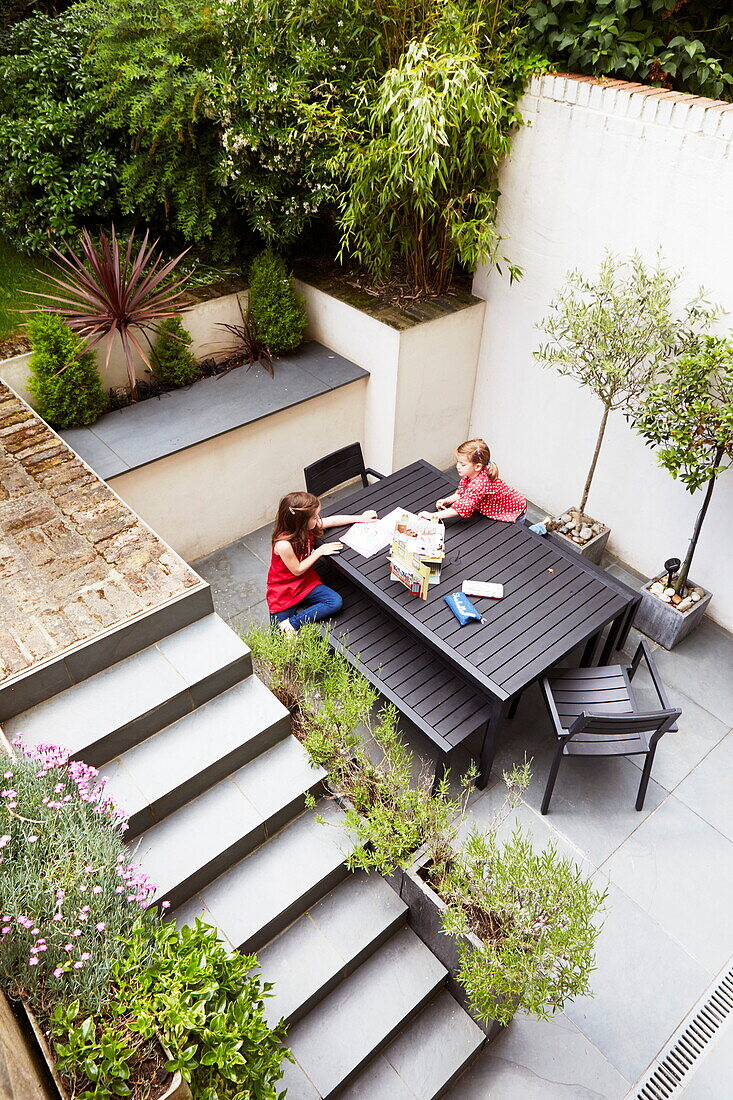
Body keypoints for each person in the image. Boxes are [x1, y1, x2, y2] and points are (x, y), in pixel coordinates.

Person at [267, 491, 377, 636]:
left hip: (306, 582)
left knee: (335, 602)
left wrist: (361, 518)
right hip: (284, 590)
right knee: (276, 639)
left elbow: (332, 521)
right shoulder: (283, 544)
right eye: (314, 517)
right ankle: (288, 627)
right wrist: (319, 551)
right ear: (300, 521)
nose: (318, 519)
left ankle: (292, 624)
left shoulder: (308, 527)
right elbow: (297, 569)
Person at [419, 438, 526, 523]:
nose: (457, 466)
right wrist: (447, 500)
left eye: (462, 464)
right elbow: (463, 493)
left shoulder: (480, 484)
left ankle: (540, 527)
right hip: (502, 505)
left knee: (523, 537)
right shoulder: (470, 473)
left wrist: (432, 516)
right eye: (458, 462)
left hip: (513, 510)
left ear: (478, 466)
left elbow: (461, 508)